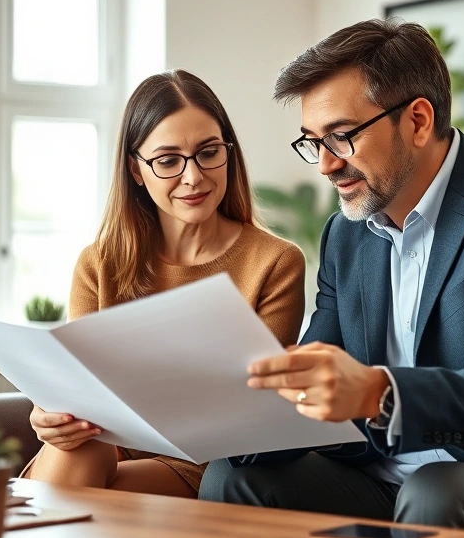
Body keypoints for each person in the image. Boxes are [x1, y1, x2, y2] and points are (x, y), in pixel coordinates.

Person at [198, 18, 464, 538]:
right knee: (233, 479)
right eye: (312, 142)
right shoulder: (347, 233)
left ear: (419, 120)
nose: (324, 165)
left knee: (435, 491)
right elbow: (316, 373)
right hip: (384, 476)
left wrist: (380, 393)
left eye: (340, 137)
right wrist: (213, 414)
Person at [21, 69, 306, 498]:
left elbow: (251, 409)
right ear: (136, 170)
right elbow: (75, 388)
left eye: (209, 152)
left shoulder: (275, 262)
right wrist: (46, 412)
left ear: (228, 153)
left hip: (196, 461)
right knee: (80, 449)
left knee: (83, 478)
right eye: (169, 160)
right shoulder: (99, 263)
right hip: (101, 446)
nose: (193, 177)